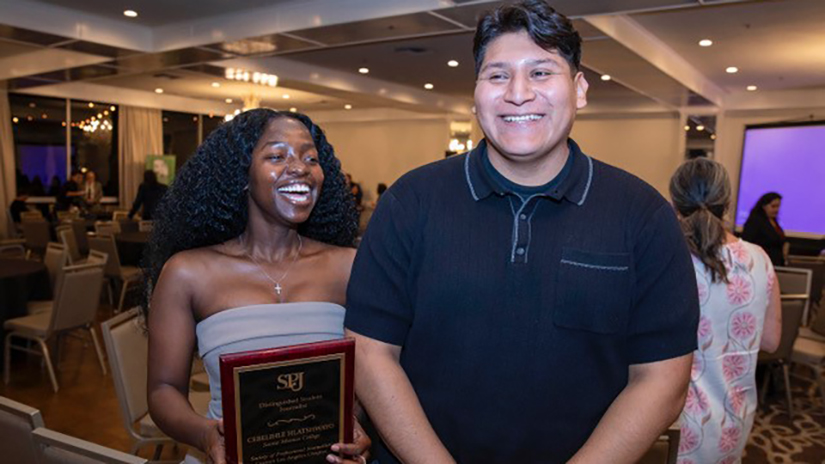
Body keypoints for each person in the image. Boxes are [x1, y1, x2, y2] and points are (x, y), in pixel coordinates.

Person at [344, 1, 700, 463]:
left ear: (580, 89)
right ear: (475, 94)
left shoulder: (643, 216)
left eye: (541, 72)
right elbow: (370, 353)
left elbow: (661, 380)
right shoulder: (410, 203)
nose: (517, 93)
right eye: (497, 75)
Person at [144, 109, 369, 464]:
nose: (300, 168)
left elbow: (370, 375)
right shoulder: (188, 272)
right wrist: (205, 434)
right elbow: (163, 389)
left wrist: (354, 423)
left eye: (311, 158)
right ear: (243, 175)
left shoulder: (348, 266)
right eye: (277, 156)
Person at [670, 158, 781, 463]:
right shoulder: (760, 259)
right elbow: (771, 341)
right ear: (727, 203)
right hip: (734, 413)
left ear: (674, 203)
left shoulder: (665, 259)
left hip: (671, 417)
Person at [742, 192, 787, 266]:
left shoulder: (774, 221)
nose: (776, 210)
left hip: (775, 263)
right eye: (773, 206)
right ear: (764, 206)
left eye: (778, 206)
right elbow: (747, 241)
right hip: (761, 263)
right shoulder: (755, 221)